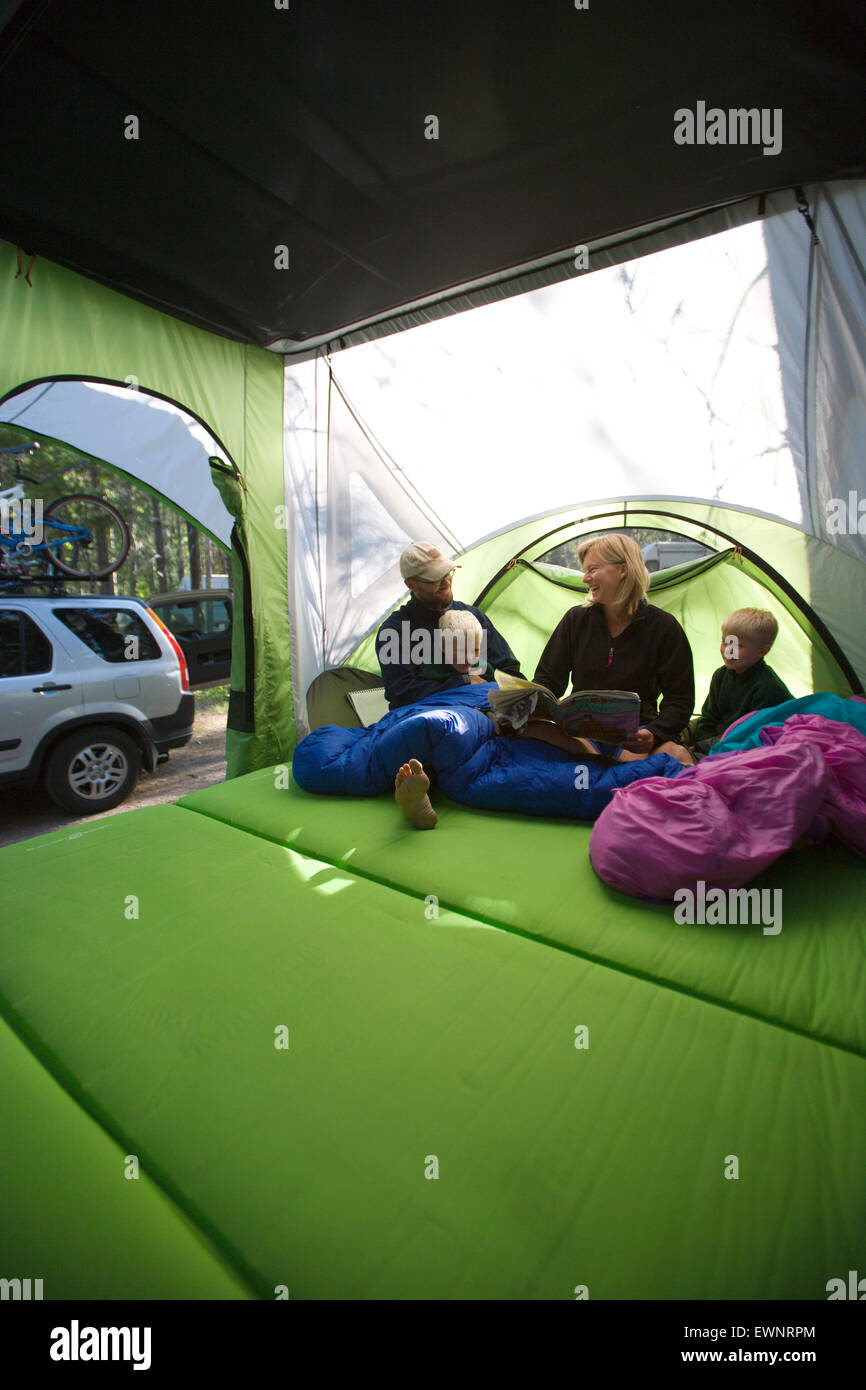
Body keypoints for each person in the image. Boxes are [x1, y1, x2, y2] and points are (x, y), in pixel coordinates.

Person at [530, 533, 696, 763]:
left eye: (593, 569)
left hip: (634, 738)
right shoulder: (575, 620)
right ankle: (603, 763)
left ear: (623, 570)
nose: (585, 579)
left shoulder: (664, 628)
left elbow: (680, 701)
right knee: (531, 732)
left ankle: (610, 765)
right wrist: (524, 704)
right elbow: (548, 681)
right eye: (585, 571)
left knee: (675, 755)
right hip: (582, 735)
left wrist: (653, 734)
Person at [376, 541, 524, 709]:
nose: (446, 582)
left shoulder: (474, 618)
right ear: (411, 584)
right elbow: (400, 693)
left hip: (488, 711)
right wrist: (464, 682)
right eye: (435, 579)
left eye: (448, 573)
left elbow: (509, 670)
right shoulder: (395, 631)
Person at [689, 608, 793, 755]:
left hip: (745, 743)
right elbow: (709, 717)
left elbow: (752, 736)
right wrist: (701, 742)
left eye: (738, 645)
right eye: (725, 642)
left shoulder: (767, 687)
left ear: (762, 651)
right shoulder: (721, 675)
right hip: (721, 734)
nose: (728, 650)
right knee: (677, 731)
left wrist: (702, 748)